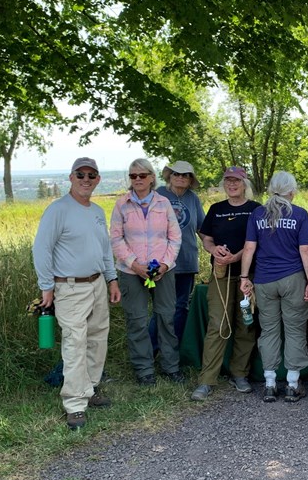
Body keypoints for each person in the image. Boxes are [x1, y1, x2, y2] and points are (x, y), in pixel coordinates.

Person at [32, 157, 121, 430]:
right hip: (69, 287)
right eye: (80, 174)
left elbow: (104, 249)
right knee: (75, 343)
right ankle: (74, 404)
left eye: (91, 175)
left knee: (97, 338)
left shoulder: (96, 211)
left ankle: (89, 389)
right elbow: (41, 248)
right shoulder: (58, 210)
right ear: (71, 177)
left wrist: (112, 279)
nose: (86, 179)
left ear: (97, 180)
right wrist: (46, 286)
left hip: (96, 284)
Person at [239, 171, 308, 403]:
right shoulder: (300, 214)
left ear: (272, 189)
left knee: (269, 330)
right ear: (292, 191)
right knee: (294, 330)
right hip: (292, 278)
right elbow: (305, 250)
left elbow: (249, 248)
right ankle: (292, 384)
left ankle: (270, 383)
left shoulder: (257, 214)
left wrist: (244, 276)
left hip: (264, 280)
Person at [191, 167, 261, 401]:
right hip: (220, 274)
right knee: (218, 325)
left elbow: (257, 241)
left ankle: (239, 373)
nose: (232, 185)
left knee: (245, 324)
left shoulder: (256, 209)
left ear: (244, 184)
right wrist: (214, 249)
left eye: (236, 181)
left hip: (248, 275)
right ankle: (207, 380)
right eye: (228, 181)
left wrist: (237, 256)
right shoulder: (216, 209)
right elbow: (206, 237)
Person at [110, 159, 182, 386]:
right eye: (133, 176)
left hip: (162, 270)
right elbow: (115, 238)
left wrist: (165, 264)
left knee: (166, 317)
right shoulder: (122, 204)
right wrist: (134, 265)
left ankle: (171, 367)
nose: (138, 180)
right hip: (131, 272)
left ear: (152, 177)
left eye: (142, 175)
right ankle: (144, 370)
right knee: (137, 320)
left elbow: (175, 237)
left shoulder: (164, 203)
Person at [151, 160, 205, 344]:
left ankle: (175, 348)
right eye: (177, 174)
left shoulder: (193, 198)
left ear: (191, 180)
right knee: (160, 307)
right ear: (169, 176)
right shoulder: (157, 194)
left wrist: (217, 247)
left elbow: (202, 229)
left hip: (187, 261)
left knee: (181, 306)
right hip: (156, 262)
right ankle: (152, 350)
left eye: (186, 175)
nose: (181, 178)